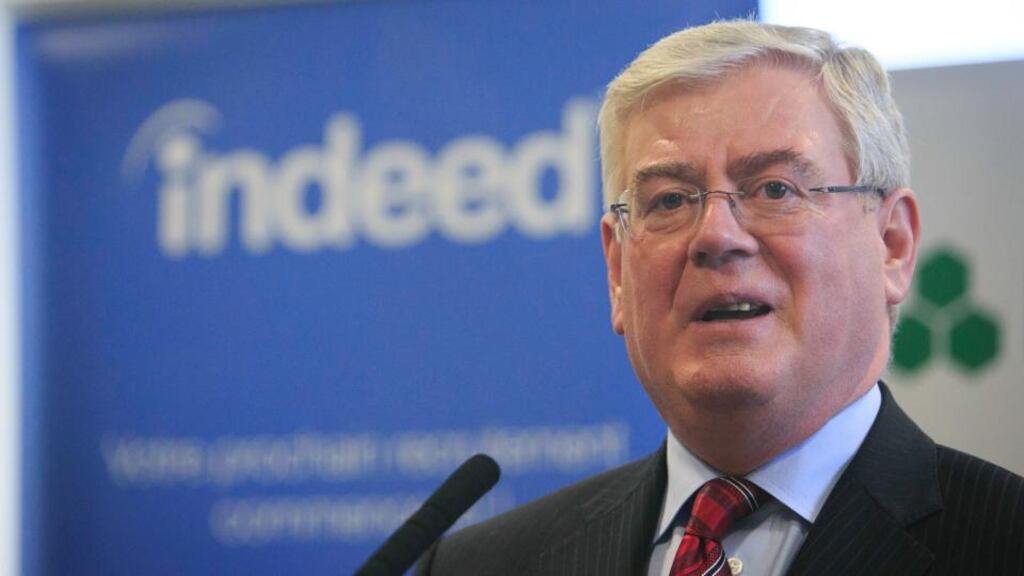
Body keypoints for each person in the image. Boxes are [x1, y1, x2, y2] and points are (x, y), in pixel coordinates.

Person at [416, 19, 1024, 576]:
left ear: (891, 245)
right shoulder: (479, 567)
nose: (715, 235)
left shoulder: (1003, 541)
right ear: (617, 270)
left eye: (775, 189)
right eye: (669, 200)